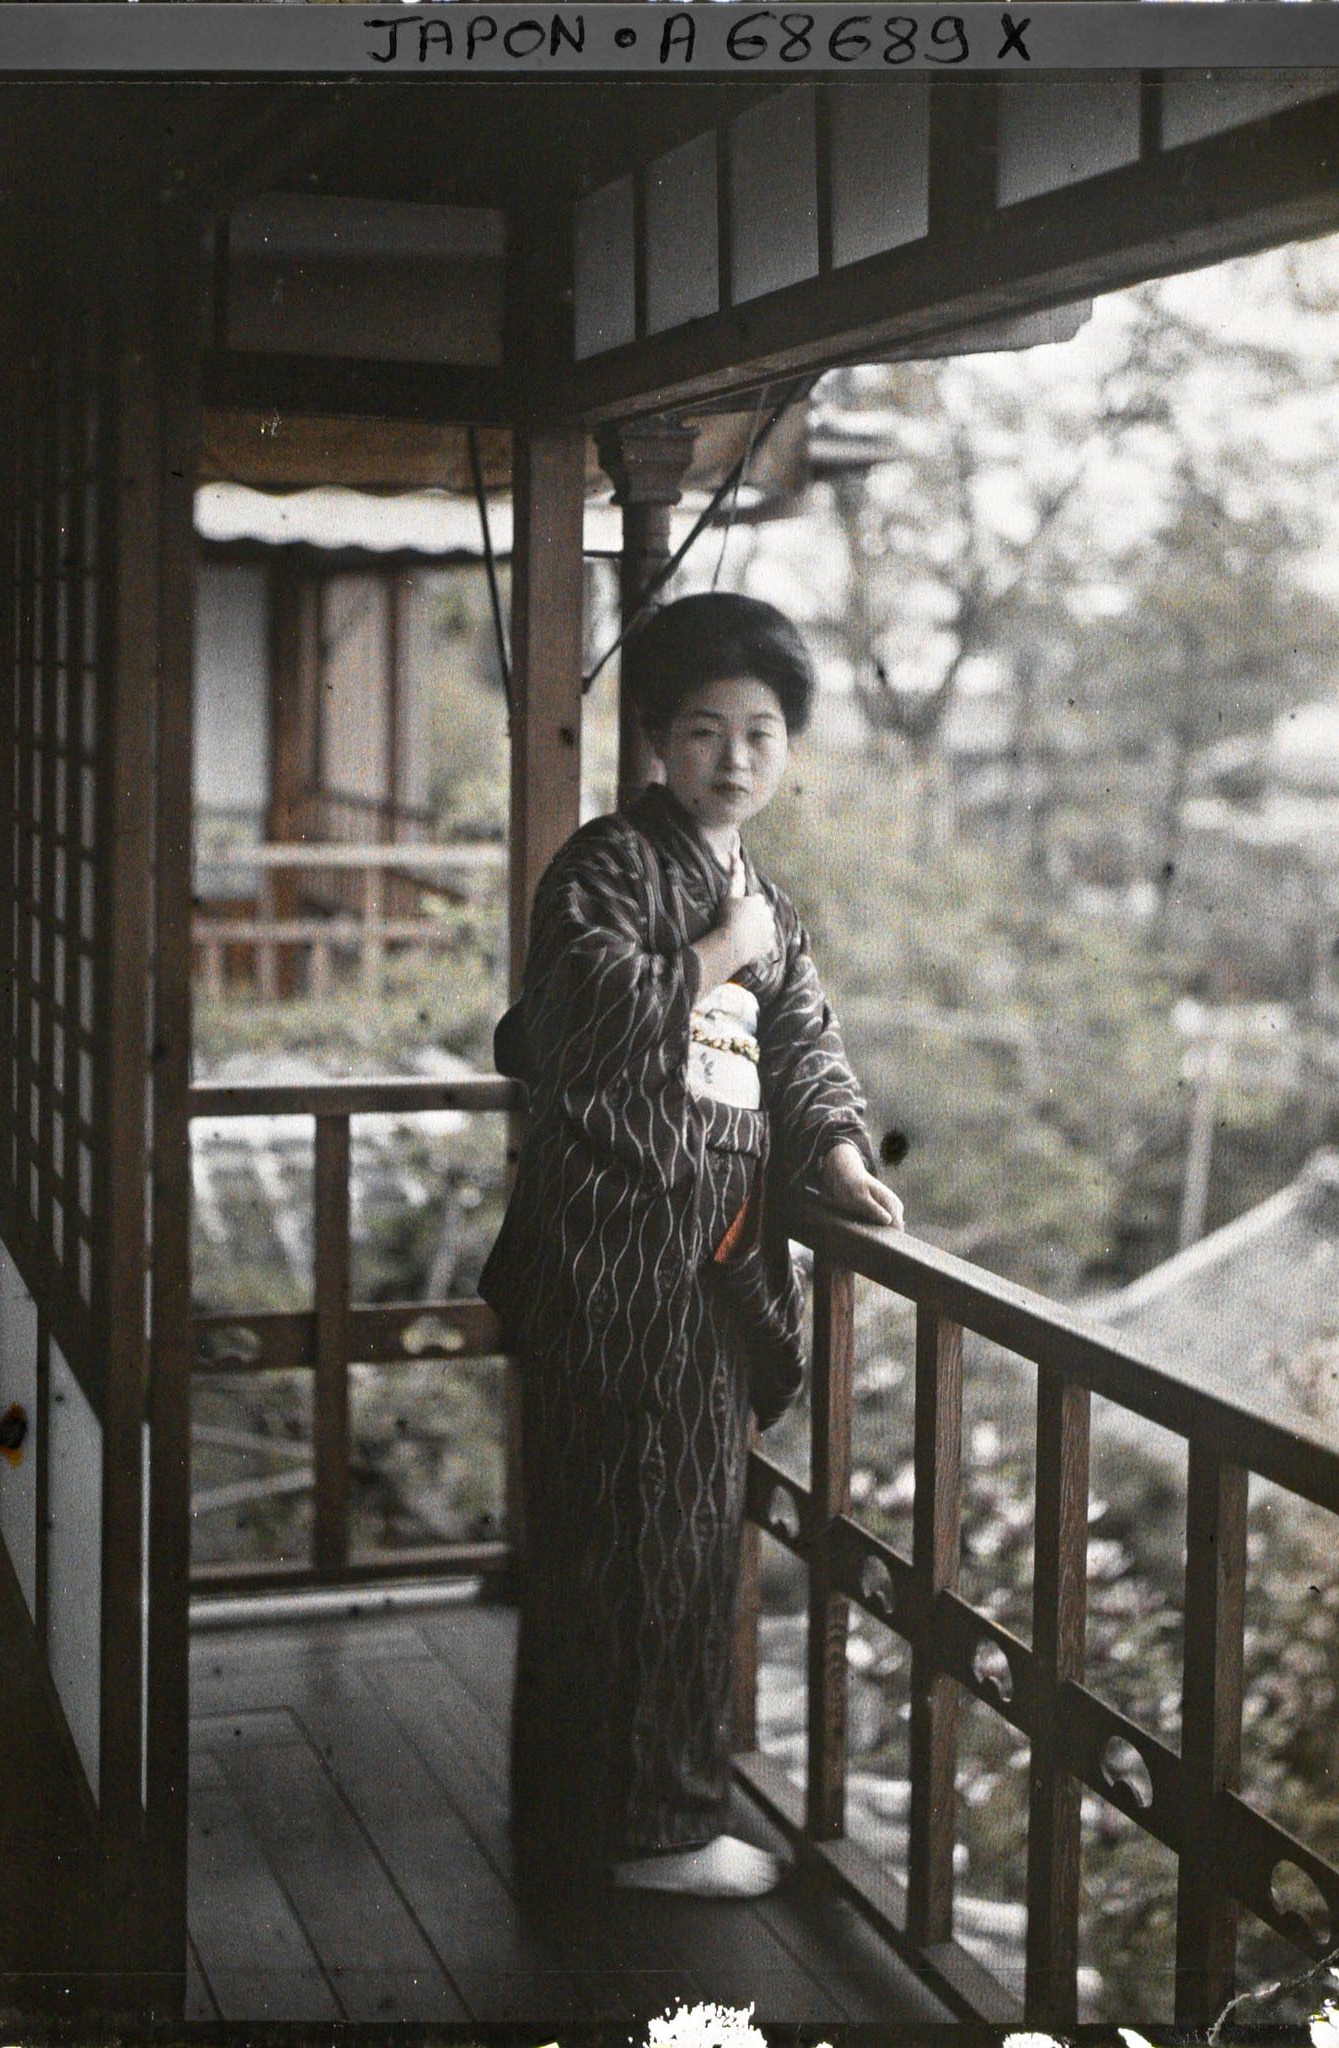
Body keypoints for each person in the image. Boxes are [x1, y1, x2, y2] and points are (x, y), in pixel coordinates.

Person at [479, 592, 904, 1901]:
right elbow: (557, 1023)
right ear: (656, 737)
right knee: (654, 1537)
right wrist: (718, 954)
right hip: (619, 1239)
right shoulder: (613, 861)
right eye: (706, 730)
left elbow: (804, 1044)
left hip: (704, 1246)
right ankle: (653, 1833)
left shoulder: (765, 890)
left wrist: (834, 1155)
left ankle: (578, 1811)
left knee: (646, 1532)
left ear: (789, 748)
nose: (735, 758)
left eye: (763, 733)